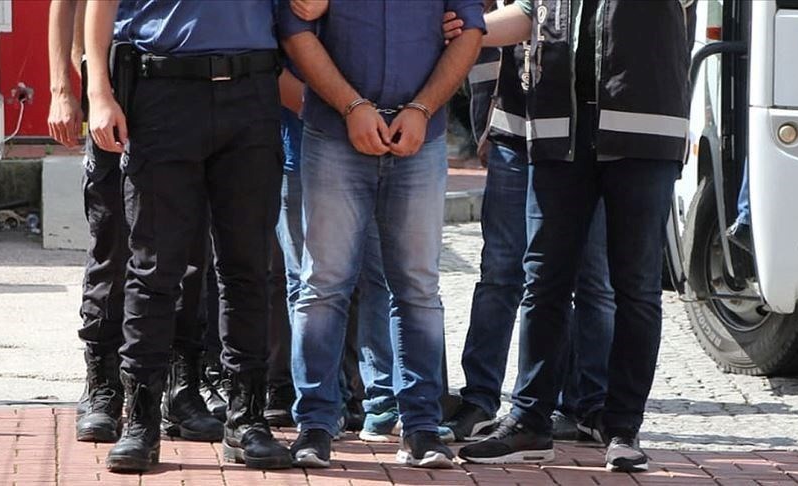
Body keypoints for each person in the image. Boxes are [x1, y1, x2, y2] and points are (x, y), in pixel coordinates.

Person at [457, 0, 695, 473]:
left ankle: (621, 429)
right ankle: (529, 421)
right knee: (543, 280)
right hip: (558, 133)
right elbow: (529, 13)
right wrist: (465, 28)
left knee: (635, 288)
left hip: (641, 134)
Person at [85, 0, 302, 472]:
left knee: (248, 266)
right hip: (162, 93)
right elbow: (99, 6)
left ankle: (246, 419)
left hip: (251, 92)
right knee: (154, 267)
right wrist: (98, 92)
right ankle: (141, 420)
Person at [278, 0, 484, 469]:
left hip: (420, 137)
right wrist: (352, 106)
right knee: (323, 284)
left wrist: (422, 108)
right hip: (334, 133)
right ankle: (315, 423)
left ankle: (421, 426)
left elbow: (470, 29)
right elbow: (295, 29)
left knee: (417, 287)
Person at [47, 0, 221, 446]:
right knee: (113, 241)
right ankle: (103, 387)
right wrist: (62, 90)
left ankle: (182, 386)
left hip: (180, 91)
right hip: (115, 86)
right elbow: (64, 6)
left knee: (190, 247)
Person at [441, 1, 614, 444]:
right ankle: (481, 399)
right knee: (501, 271)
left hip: (585, 135)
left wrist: (469, 28)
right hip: (515, 130)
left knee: (591, 278)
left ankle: (587, 404)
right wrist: (485, 122)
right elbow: (498, 27)